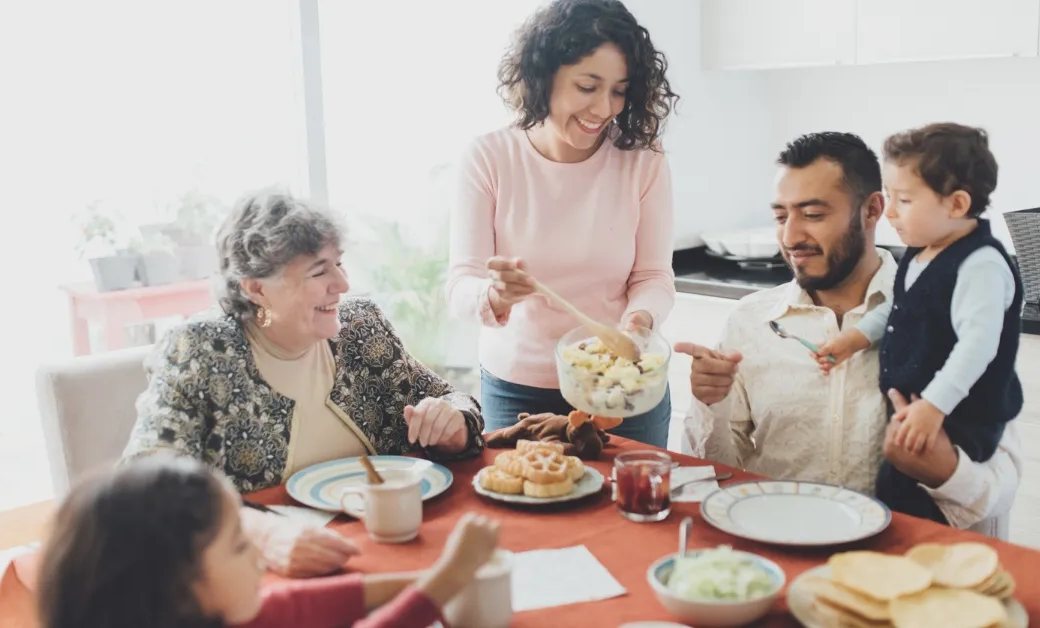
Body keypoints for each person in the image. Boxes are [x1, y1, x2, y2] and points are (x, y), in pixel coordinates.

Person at [123, 188, 486, 577]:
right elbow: (147, 483)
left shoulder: (362, 327)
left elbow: (454, 401)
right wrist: (260, 534)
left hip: (396, 547)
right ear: (256, 288)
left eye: (339, 263)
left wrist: (454, 425)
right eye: (319, 271)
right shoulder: (200, 350)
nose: (343, 284)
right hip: (267, 569)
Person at [678, 132, 1022, 537]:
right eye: (780, 216)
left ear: (873, 209)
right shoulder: (748, 321)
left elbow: (1000, 486)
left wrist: (945, 473)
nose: (790, 238)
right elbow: (709, 476)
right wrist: (708, 402)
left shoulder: (951, 311)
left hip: (899, 557)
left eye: (814, 214)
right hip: (775, 545)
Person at [446, 0, 679, 447]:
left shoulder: (643, 161)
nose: (604, 108)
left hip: (621, 388)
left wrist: (636, 324)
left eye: (619, 90)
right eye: (587, 86)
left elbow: (653, 276)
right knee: (525, 510)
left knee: (630, 514)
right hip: (518, 387)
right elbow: (460, 287)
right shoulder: (490, 158)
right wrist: (493, 295)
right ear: (543, 75)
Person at [813, 123, 1024, 524]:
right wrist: (855, 339)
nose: (889, 211)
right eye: (890, 197)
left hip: (963, 414)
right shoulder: (920, 252)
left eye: (904, 199)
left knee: (935, 505)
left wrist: (934, 406)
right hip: (920, 408)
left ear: (957, 204)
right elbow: (897, 307)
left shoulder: (981, 265)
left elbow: (977, 346)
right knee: (894, 489)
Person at [37, 455, 501, 628]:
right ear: (179, 586)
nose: (259, 558)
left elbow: (298, 608)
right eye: (241, 545)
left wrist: (422, 578)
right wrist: (448, 577)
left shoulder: (205, 613)